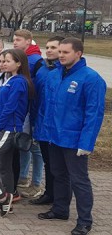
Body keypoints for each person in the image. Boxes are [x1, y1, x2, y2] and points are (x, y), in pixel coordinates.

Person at [38, 38, 106, 235]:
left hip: (74, 139)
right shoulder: (54, 75)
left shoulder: (91, 79)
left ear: (78, 53)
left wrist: (86, 143)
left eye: (65, 52)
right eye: (60, 52)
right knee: (58, 174)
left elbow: (94, 114)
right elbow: (47, 107)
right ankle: (60, 210)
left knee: (79, 180)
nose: (61, 55)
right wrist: (44, 132)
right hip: (53, 136)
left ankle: (85, 221)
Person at [0, 49, 32, 216]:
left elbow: (9, 108)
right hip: (3, 127)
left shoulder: (18, 82)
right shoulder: (8, 79)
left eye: (7, 61)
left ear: (19, 63)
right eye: (1, 61)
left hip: (9, 130)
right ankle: (6, 204)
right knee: (4, 166)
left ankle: (2, 197)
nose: (2, 64)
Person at [28, 36, 64, 206]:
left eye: (54, 48)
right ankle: (49, 193)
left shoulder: (62, 71)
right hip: (42, 122)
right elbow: (36, 96)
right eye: (47, 47)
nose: (49, 50)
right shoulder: (42, 68)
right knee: (48, 162)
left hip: (57, 125)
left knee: (58, 166)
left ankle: (59, 198)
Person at [12, 29, 44, 196]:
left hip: (32, 108)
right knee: (23, 144)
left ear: (28, 41)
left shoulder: (35, 60)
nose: (15, 42)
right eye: (14, 39)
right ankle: (23, 177)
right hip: (23, 108)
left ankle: (37, 182)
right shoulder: (22, 57)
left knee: (35, 148)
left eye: (18, 39)